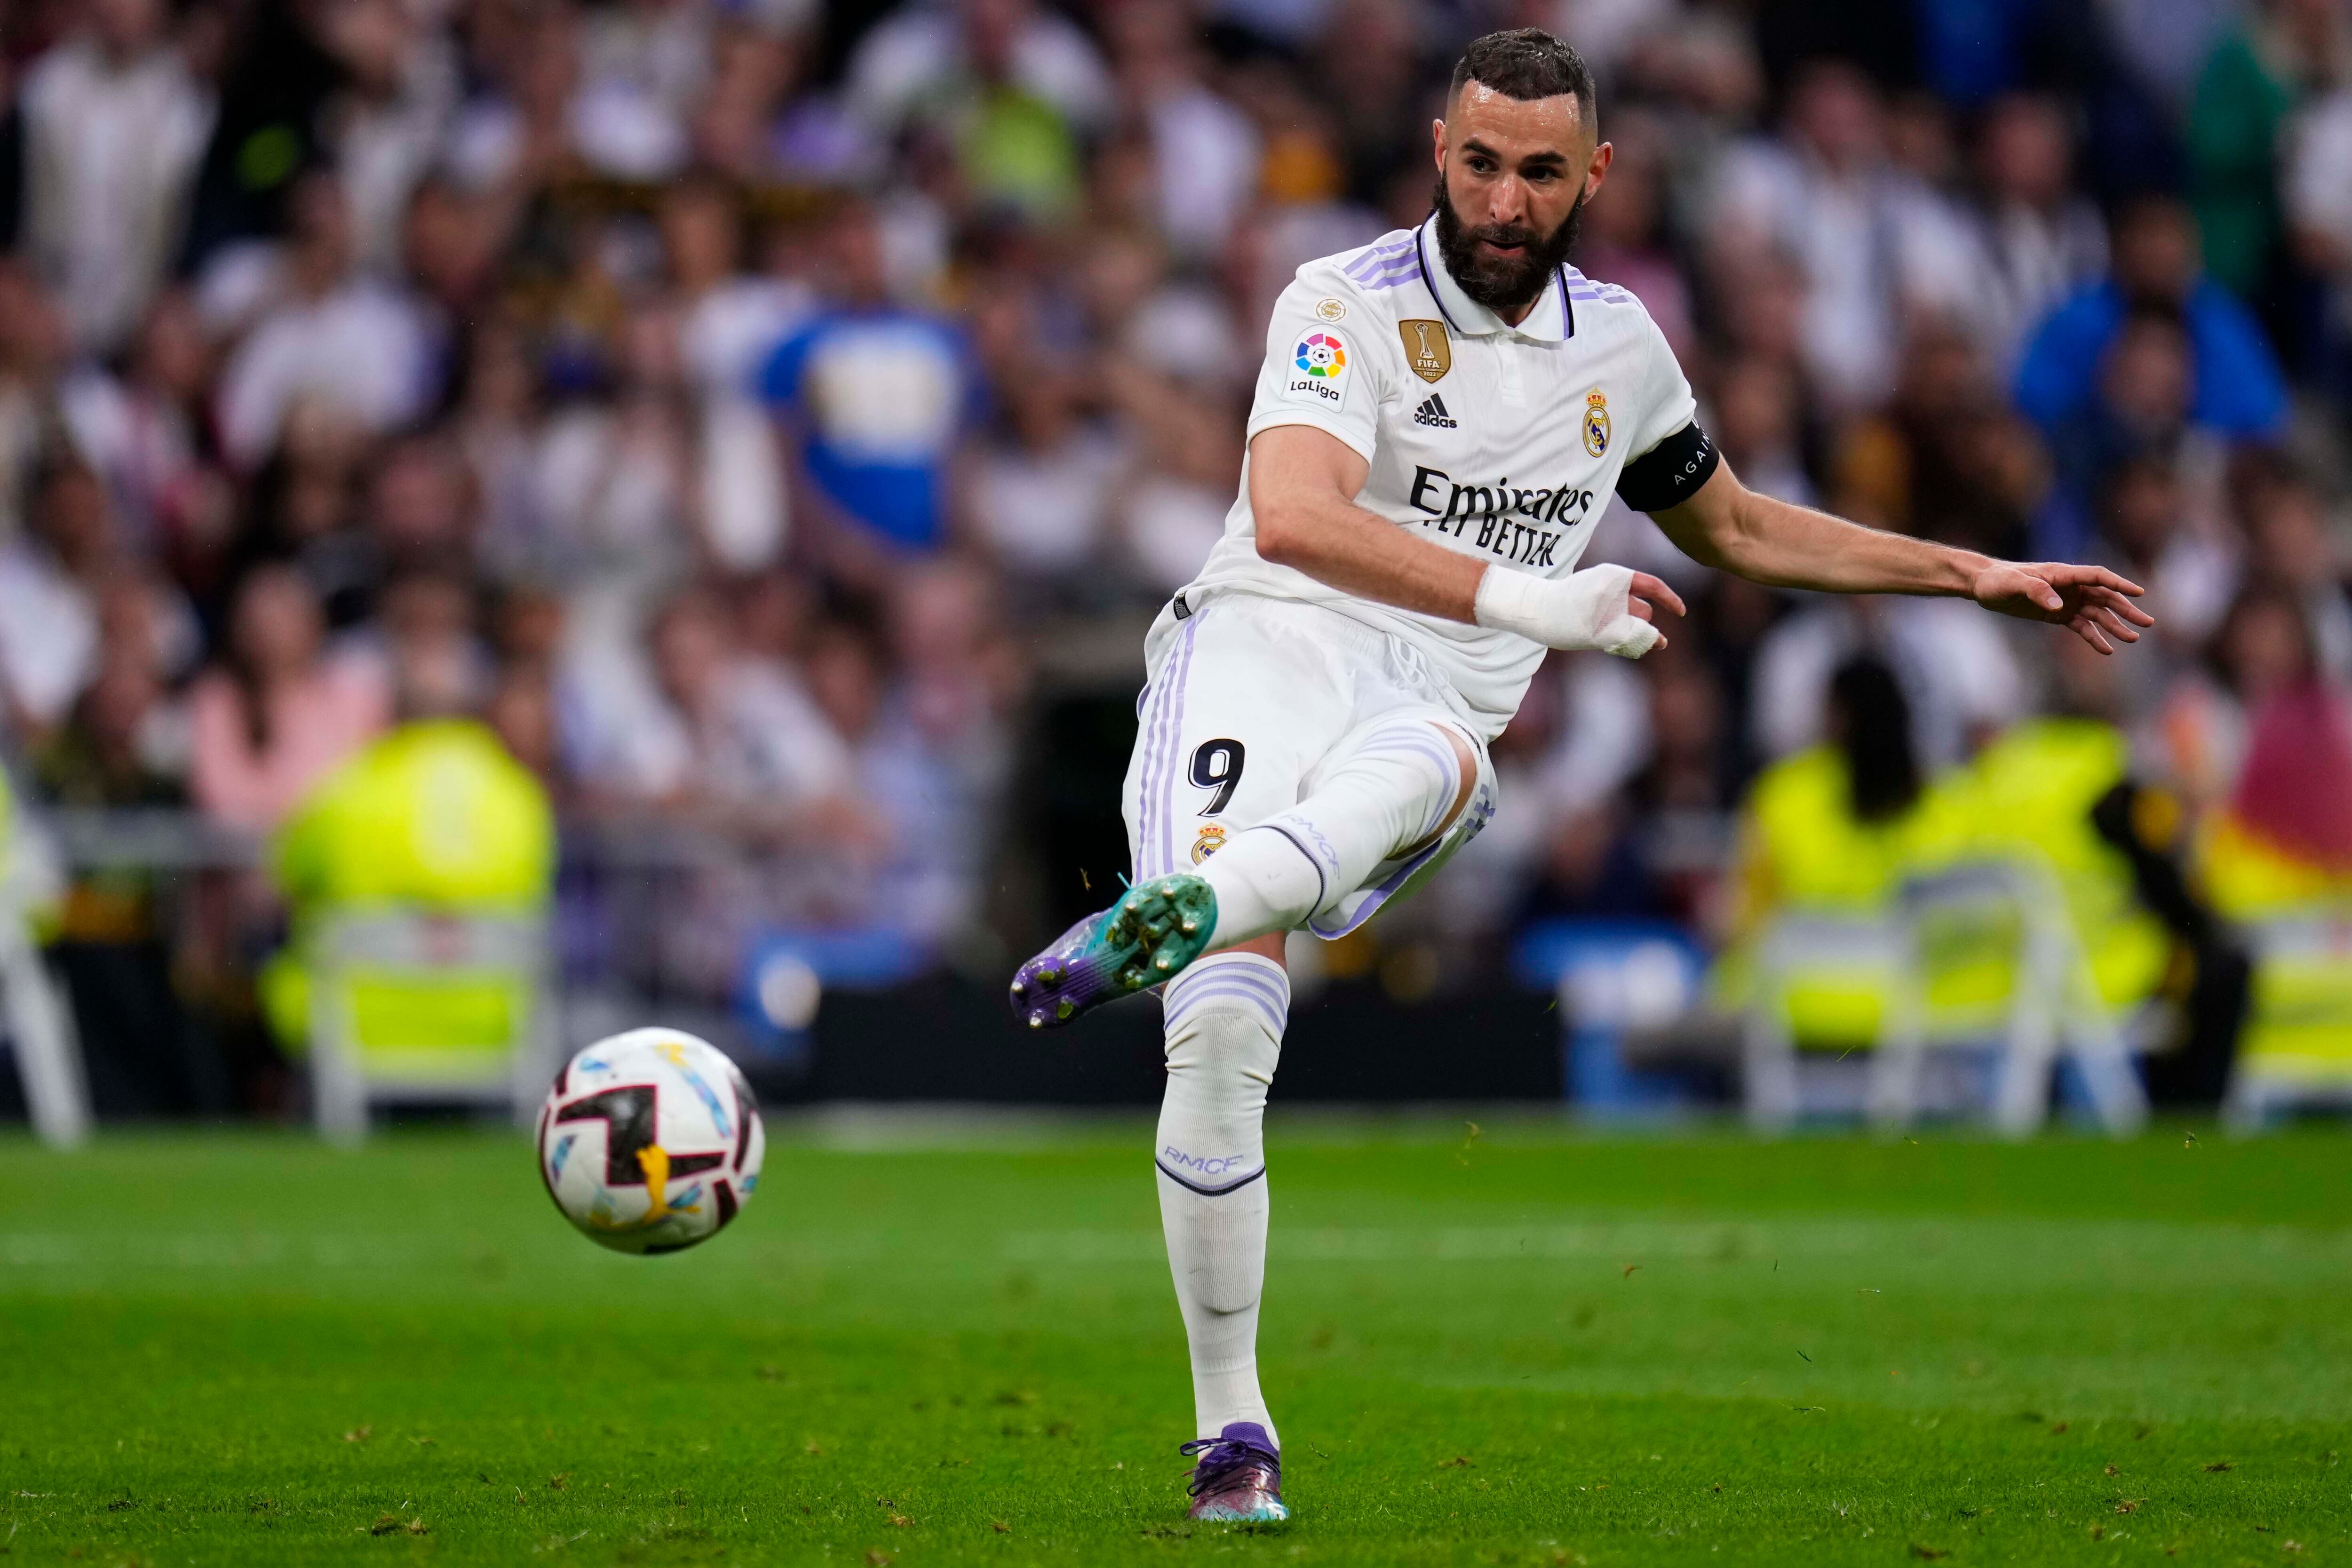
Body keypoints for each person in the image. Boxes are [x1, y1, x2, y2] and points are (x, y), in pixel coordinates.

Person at [1002, 29, 2155, 1525]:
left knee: (1438, 761)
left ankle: (1194, 902)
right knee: (1221, 1039)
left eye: (1540, 172)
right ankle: (1236, 1438)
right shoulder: (1340, 302)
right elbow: (1290, 515)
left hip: (1423, 716)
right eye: (1480, 162)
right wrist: (1539, 600)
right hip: (1263, 655)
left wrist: (1970, 569)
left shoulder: (1619, 346)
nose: (1503, 198)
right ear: (1439, 149)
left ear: (1594, 175)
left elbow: (1730, 525)